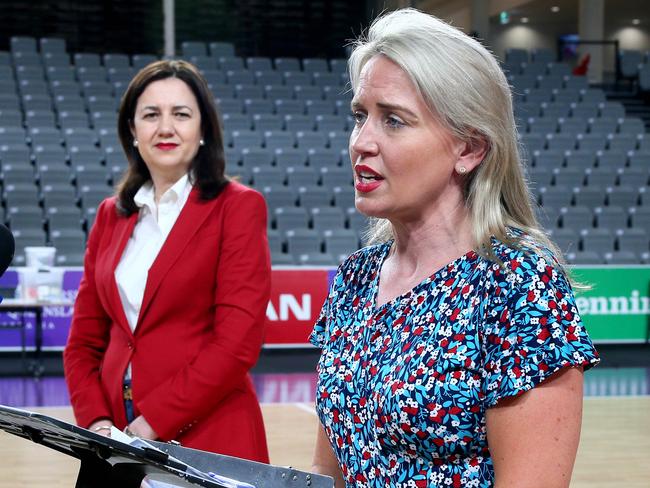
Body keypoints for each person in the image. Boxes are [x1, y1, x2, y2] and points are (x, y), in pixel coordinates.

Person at [310, 9, 599, 488]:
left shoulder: (517, 285)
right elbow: (329, 471)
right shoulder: (354, 280)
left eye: (394, 121)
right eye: (361, 116)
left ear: (469, 148)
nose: (361, 142)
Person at [64, 60, 270, 462]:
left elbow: (236, 344)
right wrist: (97, 423)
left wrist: (149, 424)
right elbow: (82, 344)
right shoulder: (111, 215)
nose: (165, 127)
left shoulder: (239, 207)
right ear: (132, 131)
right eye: (151, 115)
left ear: (204, 129)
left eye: (181, 114)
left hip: (207, 438)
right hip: (115, 442)